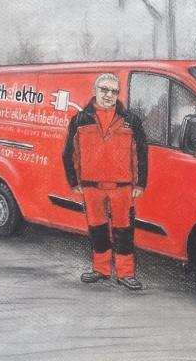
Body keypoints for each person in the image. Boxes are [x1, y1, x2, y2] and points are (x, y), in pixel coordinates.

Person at [62, 72, 148, 290]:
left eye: (114, 91)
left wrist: (140, 183)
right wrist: (75, 182)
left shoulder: (131, 121)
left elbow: (141, 154)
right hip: (92, 187)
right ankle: (101, 269)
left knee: (124, 230)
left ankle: (125, 274)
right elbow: (69, 153)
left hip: (122, 187)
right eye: (104, 89)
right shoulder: (79, 121)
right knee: (97, 228)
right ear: (94, 91)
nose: (109, 95)